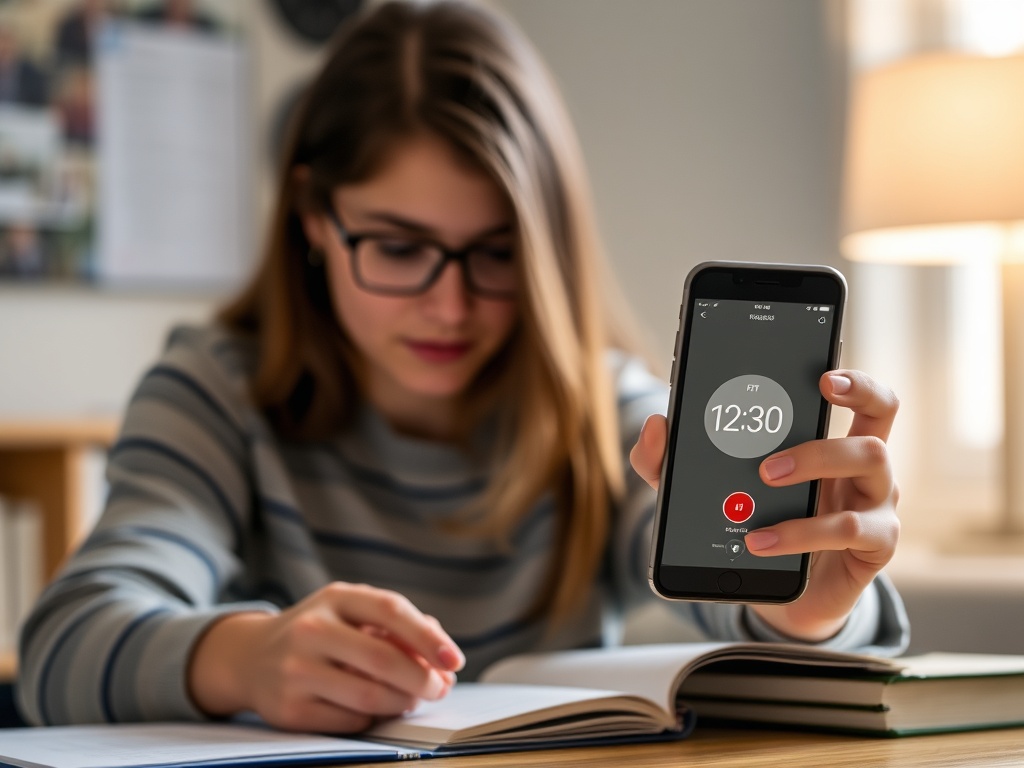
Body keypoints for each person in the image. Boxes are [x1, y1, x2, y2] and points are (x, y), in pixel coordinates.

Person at [16, 0, 907, 733]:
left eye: (494, 253)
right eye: (400, 249)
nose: (449, 306)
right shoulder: (215, 394)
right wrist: (245, 658)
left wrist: (809, 604)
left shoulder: (608, 411)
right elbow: (64, 649)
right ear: (315, 224)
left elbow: (752, 599)